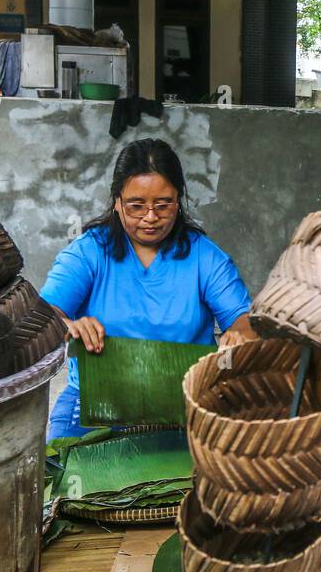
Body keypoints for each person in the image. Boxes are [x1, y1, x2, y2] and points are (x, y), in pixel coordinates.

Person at [41, 137, 254, 440]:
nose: (151, 217)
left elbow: (244, 319)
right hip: (96, 403)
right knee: (64, 475)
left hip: (186, 401)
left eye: (163, 204)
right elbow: (42, 314)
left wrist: (240, 334)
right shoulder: (89, 252)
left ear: (178, 200)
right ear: (117, 201)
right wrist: (70, 325)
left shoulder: (205, 257)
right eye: (136, 206)